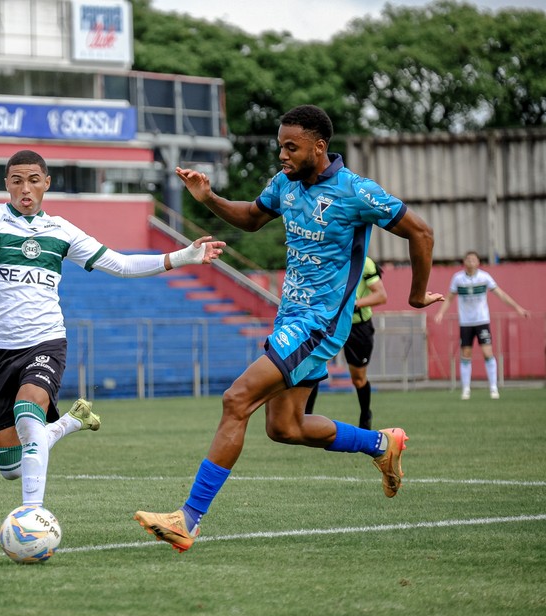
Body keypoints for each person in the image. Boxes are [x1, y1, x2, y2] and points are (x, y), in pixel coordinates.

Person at [134, 105, 444, 553]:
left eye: (291, 146)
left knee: (236, 399)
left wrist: (417, 295)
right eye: (280, 145)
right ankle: (382, 442)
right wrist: (209, 199)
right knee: (285, 427)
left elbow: (422, 232)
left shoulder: (356, 191)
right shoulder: (286, 184)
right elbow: (251, 217)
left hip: (319, 325)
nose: (282, 154)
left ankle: (188, 519)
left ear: (319, 146)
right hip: (291, 320)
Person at [0, 149, 223, 511]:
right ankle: (67, 423)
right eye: (17, 180)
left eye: (34, 180)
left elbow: (120, 264)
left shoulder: (61, 230)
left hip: (45, 340)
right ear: (6, 184)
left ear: (47, 184)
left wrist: (185, 255)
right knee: (11, 466)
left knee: (28, 413)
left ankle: (32, 514)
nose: (25, 188)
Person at [304, 256, 387, 429]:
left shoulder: (365, 262)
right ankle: (305, 418)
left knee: (358, 378)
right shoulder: (327, 257)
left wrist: (355, 304)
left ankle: (365, 414)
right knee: (313, 368)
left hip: (357, 326)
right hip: (329, 324)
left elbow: (381, 296)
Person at [433, 250, 529, 399]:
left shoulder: (484, 277)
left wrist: (518, 308)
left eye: (474, 259)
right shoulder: (458, 279)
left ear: (478, 262)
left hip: (482, 321)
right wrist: (440, 313)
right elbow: (450, 298)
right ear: (464, 262)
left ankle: (493, 387)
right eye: (468, 259)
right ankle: (466, 389)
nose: (471, 262)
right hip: (465, 322)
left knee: (487, 352)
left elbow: (501, 294)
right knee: (466, 354)